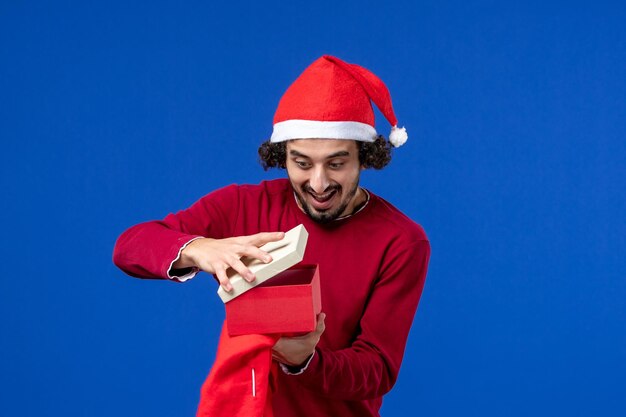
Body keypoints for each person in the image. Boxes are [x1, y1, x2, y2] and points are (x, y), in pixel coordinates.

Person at [113, 55, 430, 417]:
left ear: (365, 157)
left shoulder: (401, 241)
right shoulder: (243, 205)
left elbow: (377, 368)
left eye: (337, 163)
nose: (319, 183)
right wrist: (198, 249)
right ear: (283, 155)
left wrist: (306, 362)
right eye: (302, 162)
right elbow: (130, 246)